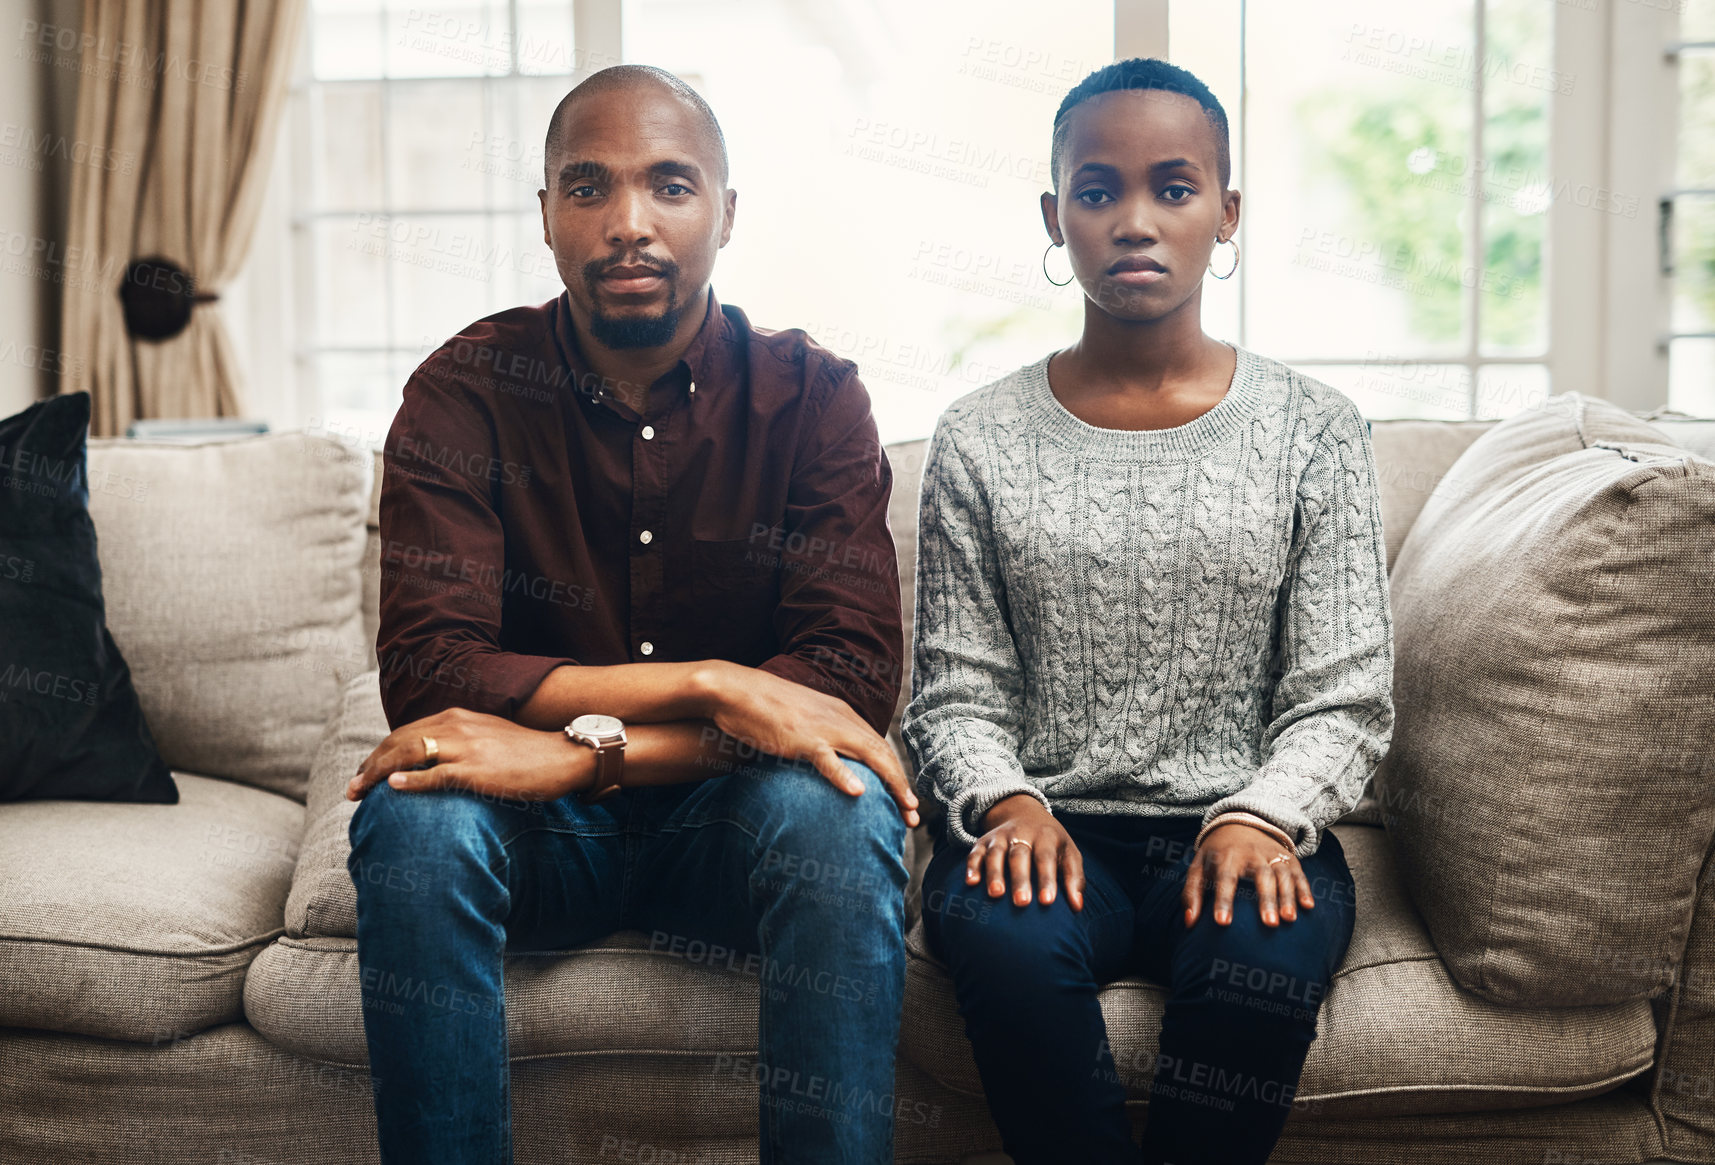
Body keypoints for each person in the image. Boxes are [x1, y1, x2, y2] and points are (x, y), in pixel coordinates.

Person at [343, 64, 918, 1165]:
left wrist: (581, 760)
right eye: (588, 187)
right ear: (547, 216)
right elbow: (430, 668)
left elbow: (844, 682)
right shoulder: (461, 392)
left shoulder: (812, 399)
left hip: (729, 821)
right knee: (416, 821)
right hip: (535, 841)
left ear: (726, 211)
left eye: (669, 185)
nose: (629, 224)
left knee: (837, 812)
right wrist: (716, 682)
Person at [902, 57, 1394, 1165]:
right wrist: (1002, 803)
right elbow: (953, 690)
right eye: (1096, 190)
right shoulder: (978, 436)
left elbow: (1343, 693)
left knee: (1258, 970)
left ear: (1226, 214)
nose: (1134, 221)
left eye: (1173, 189)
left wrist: (1262, 814)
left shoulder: (1314, 428)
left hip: (1246, 822)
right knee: (1009, 953)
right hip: (1047, 823)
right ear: (1054, 215)